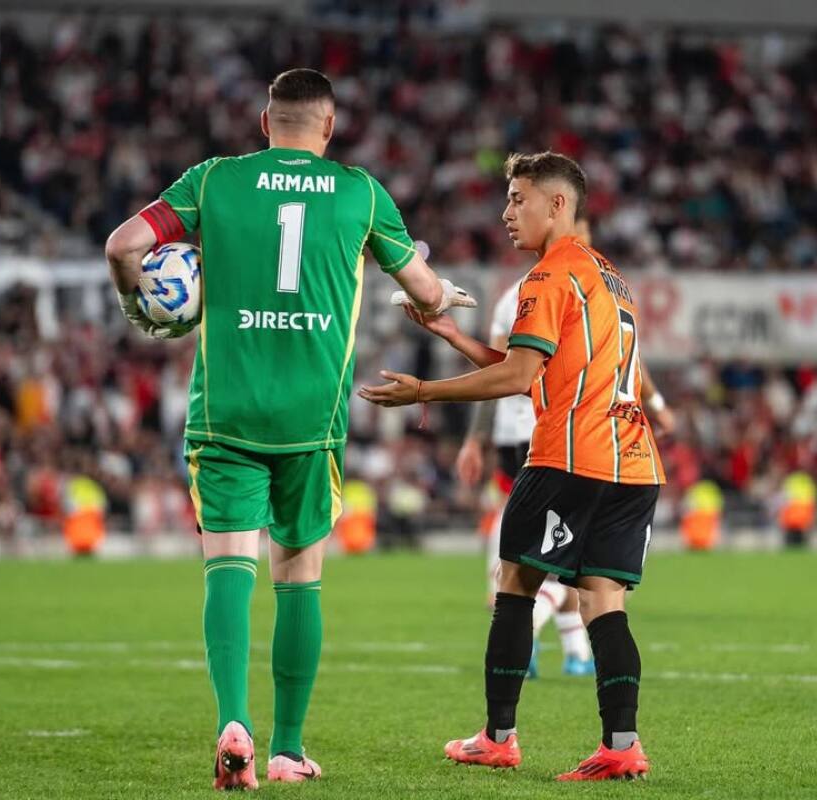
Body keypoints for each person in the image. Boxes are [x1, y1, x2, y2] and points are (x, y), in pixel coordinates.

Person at [104, 68, 472, 791]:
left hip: (228, 410)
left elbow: (123, 246)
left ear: (264, 123)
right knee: (299, 576)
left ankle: (232, 723)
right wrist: (431, 288)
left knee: (228, 566)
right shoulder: (362, 193)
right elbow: (427, 294)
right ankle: (288, 748)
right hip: (312, 417)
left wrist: (136, 307)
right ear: (328, 130)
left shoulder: (213, 181)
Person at [361, 151, 664, 781]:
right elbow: (538, 369)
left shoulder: (548, 279)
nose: (506, 214)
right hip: (634, 463)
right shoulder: (611, 279)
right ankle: (622, 745)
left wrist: (423, 392)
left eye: (517, 199)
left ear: (557, 204)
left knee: (515, 583)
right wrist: (449, 334)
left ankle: (498, 736)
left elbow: (520, 377)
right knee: (603, 601)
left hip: (569, 457)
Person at [457, 214, 674, 679]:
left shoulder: (560, 284)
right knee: (557, 564)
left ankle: (561, 649)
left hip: (566, 436)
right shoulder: (557, 287)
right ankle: (558, 648)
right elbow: (505, 373)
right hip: (550, 437)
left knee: (551, 561)